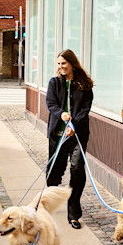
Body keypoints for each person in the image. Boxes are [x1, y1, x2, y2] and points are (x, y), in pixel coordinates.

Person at [46, 49, 94, 229]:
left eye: (64, 63)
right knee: (54, 173)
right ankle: (49, 204)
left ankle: (73, 213)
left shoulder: (84, 85)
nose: (61, 67)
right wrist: (62, 114)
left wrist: (74, 126)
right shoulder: (54, 82)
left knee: (77, 171)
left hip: (78, 137)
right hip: (57, 136)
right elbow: (51, 104)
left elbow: (85, 109)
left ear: (72, 64)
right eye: (58, 63)